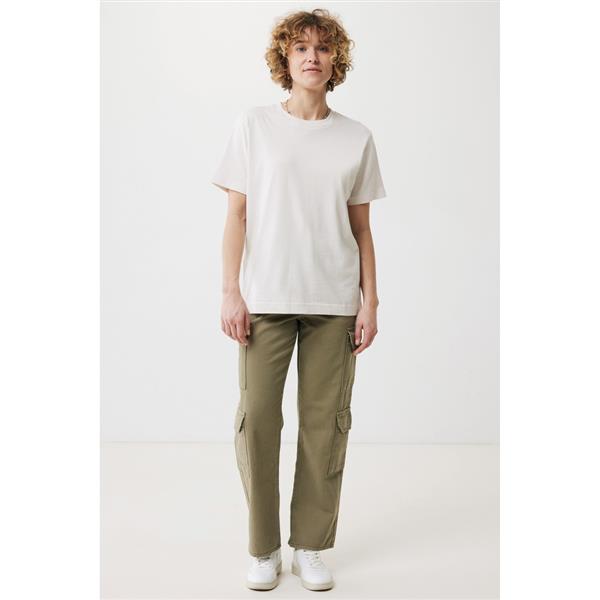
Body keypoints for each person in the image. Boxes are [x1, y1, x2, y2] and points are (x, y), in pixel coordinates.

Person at [211, 8, 386, 592]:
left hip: (334, 301)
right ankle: (264, 548)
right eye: (301, 47)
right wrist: (231, 291)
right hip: (265, 296)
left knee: (324, 426)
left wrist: (371, 302)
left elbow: (362, 230)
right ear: (284, 60)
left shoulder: (356, 137)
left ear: (337, 60)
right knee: (258, 421)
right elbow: (237, 216)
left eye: (323, 48)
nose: (313, 56)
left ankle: (309, 544)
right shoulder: (254, 125)